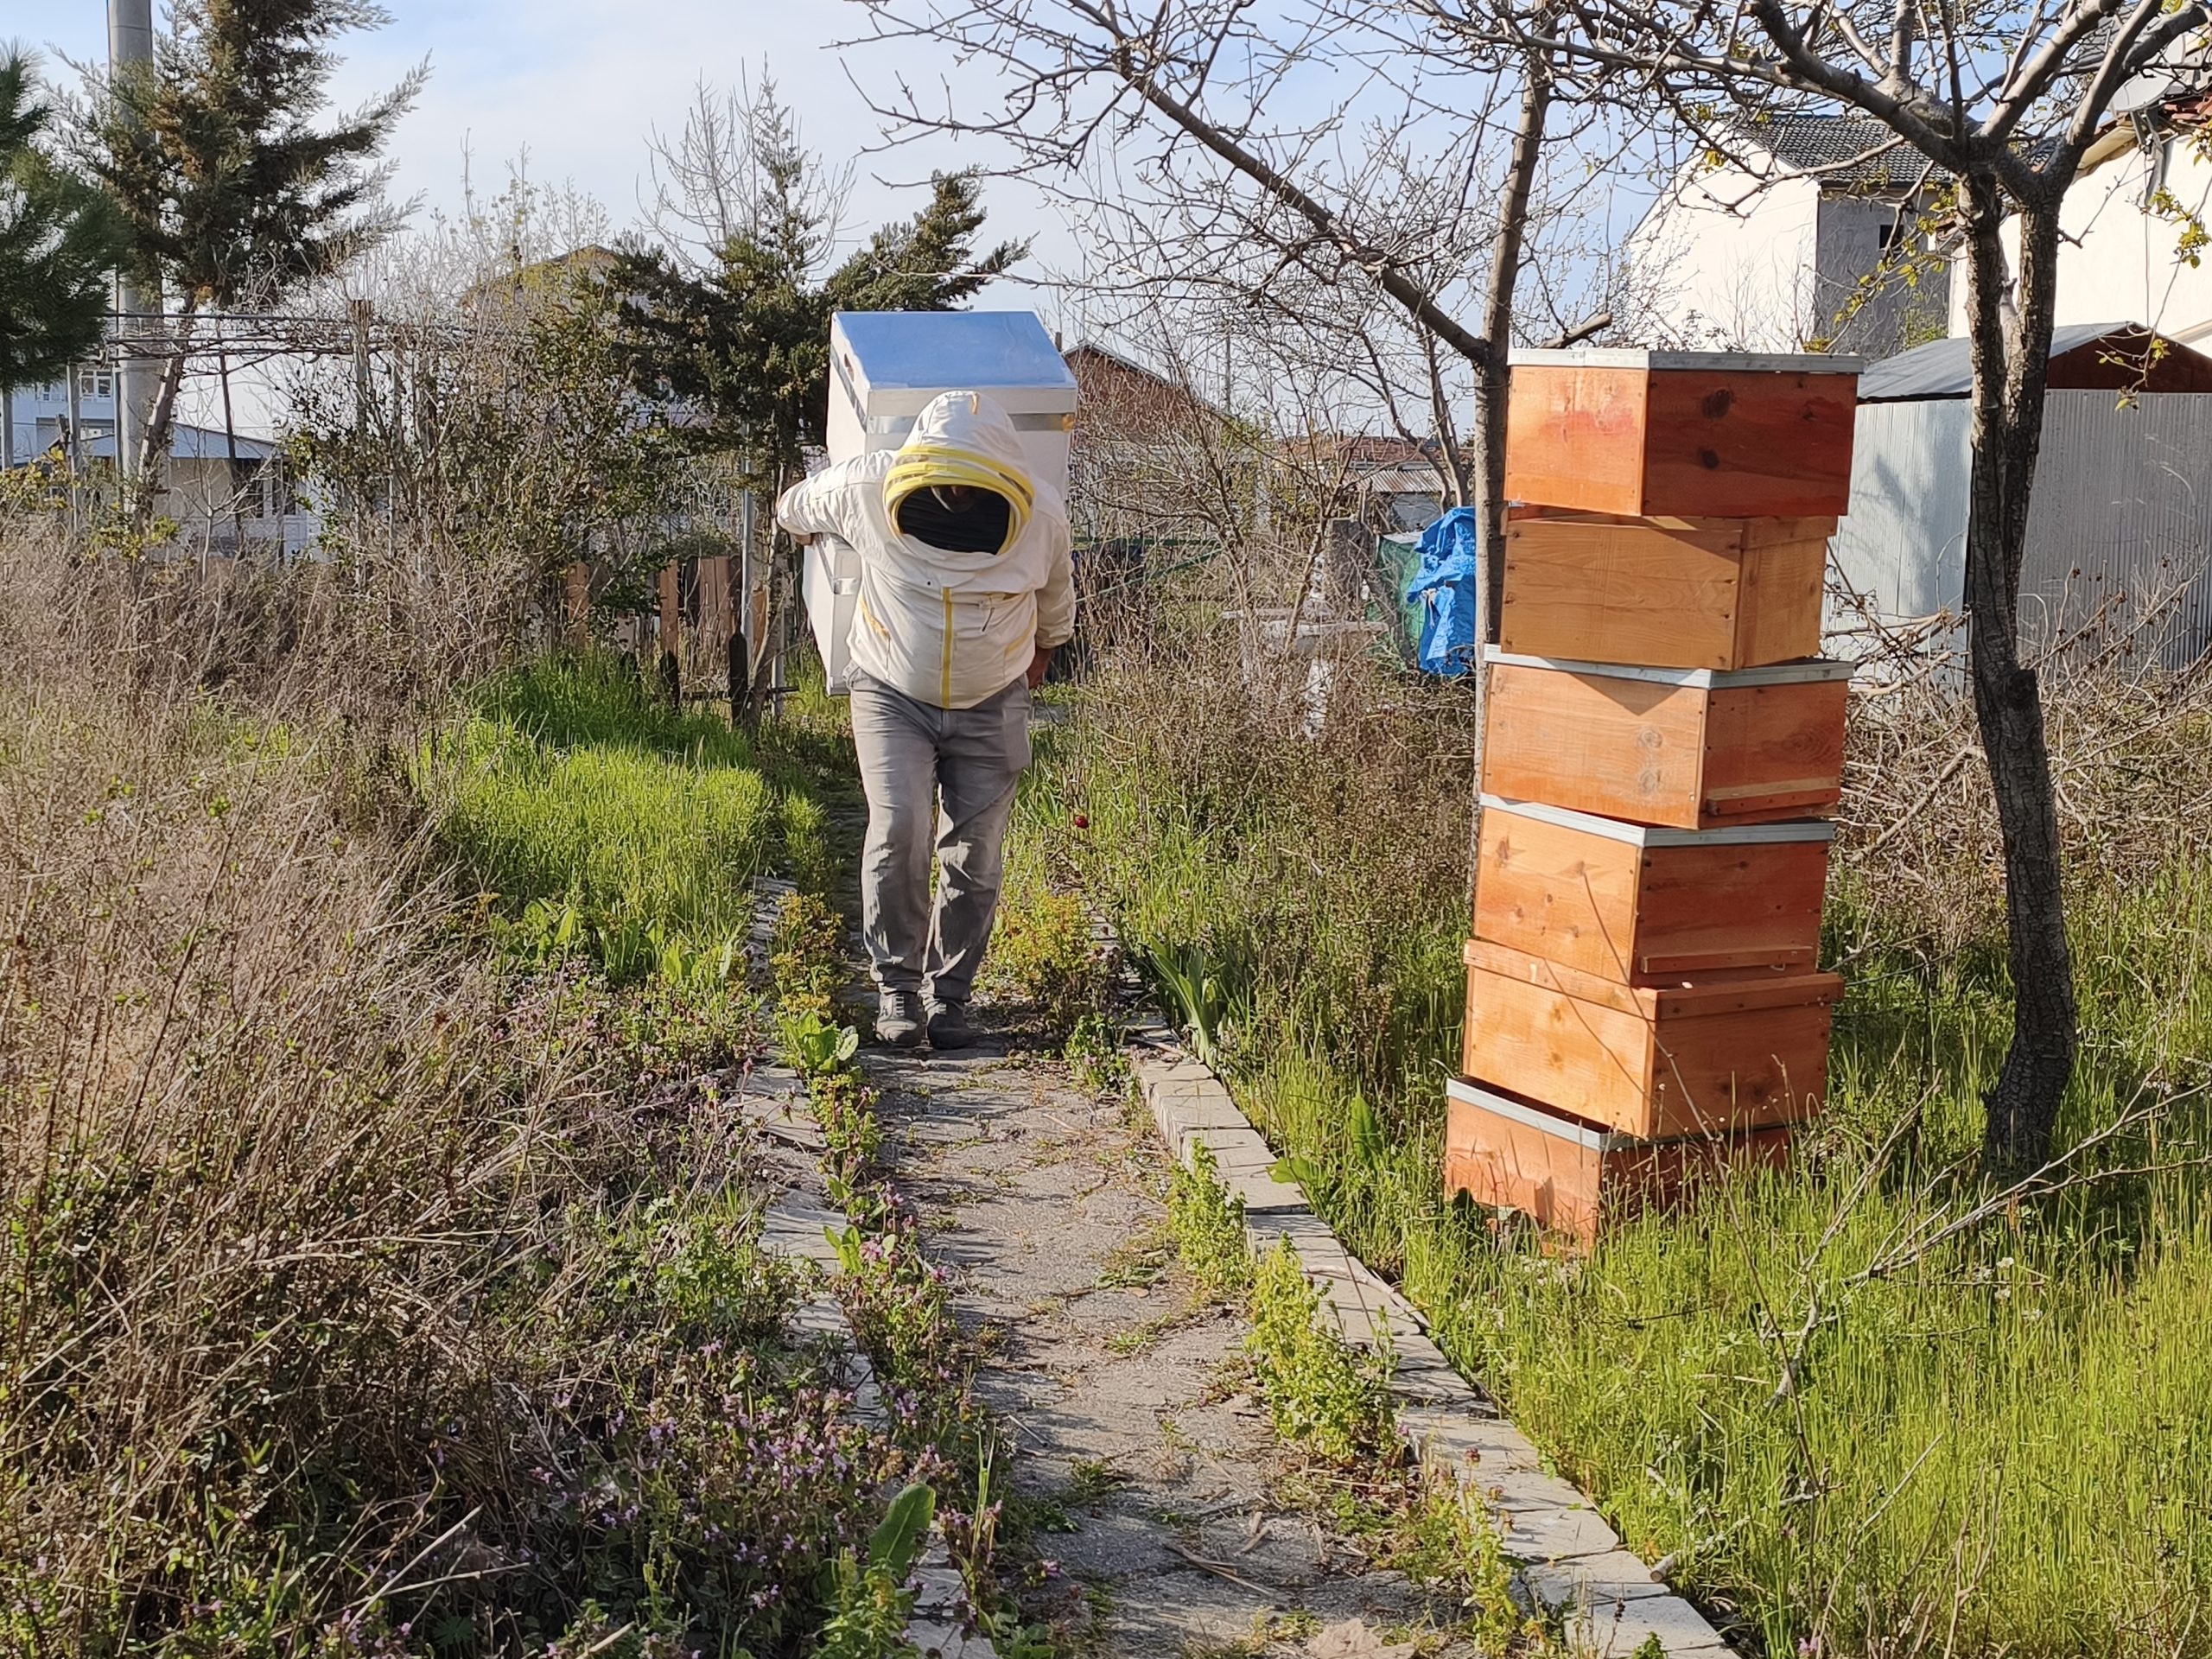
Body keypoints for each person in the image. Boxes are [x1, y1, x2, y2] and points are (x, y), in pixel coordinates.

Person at [776, 390, 1075, 1050]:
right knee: (900, 829)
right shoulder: (864, 487)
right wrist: (807, 533)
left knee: (976, 853)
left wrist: (1037, 659)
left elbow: (1057, 605)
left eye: (972, 494)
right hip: (891, 690)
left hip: (993, 697)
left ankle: (951, 996)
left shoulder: (1044, 516)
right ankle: (898, 988)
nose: (959, 501)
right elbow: (794, 506)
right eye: (948, 491)